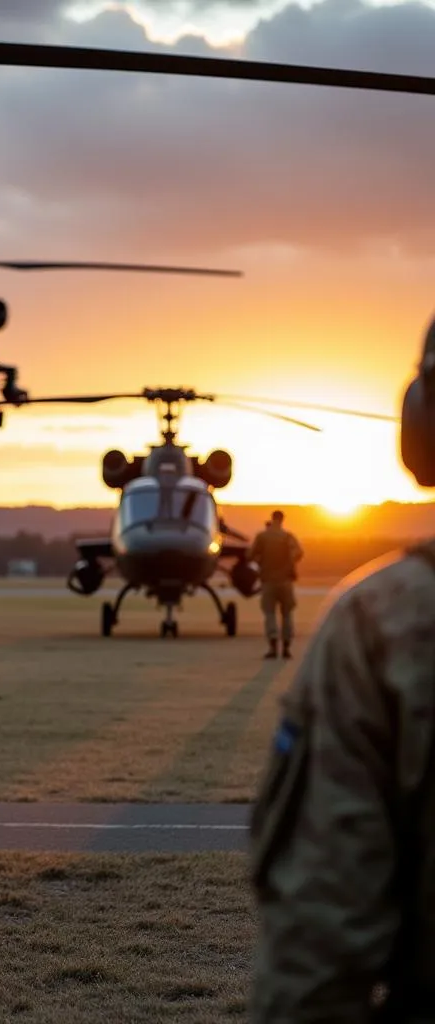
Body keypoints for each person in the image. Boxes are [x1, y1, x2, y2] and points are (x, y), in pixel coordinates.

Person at [249, 329, 435, 1021]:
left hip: (274, 587)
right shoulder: (370, 607)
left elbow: (320, 932)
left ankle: (275, 645)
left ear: (420, 428)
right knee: (283, 618)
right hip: (284, 584)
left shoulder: (387, 617)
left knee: (279, 624)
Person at [248, 510, 303, 659]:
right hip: (285, 581)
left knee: (270, 614)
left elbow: (250, 555)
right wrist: (288, 563)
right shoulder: (287, 537)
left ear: (272, 519)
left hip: (268, 581)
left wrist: (262, 560)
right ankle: (286, 647)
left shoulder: (262, 537)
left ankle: (273, 646)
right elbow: (298, 552)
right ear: (282, 520)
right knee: (287, 614)